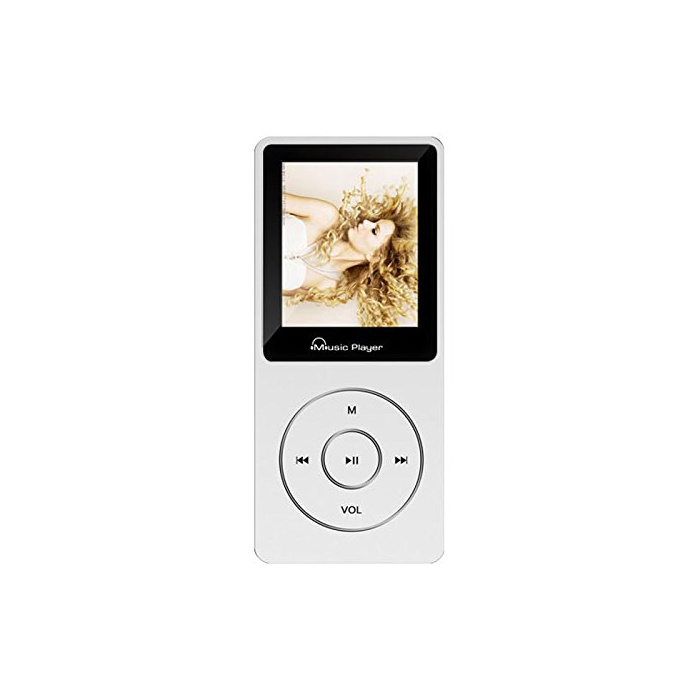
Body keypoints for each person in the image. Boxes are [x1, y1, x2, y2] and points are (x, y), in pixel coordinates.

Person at [282, 175, 418, 327]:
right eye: (374, 222)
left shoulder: (328, 287)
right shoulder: (325, 215)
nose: (366, 222)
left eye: (374, 230)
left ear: (375, 256)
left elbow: (267, 289)